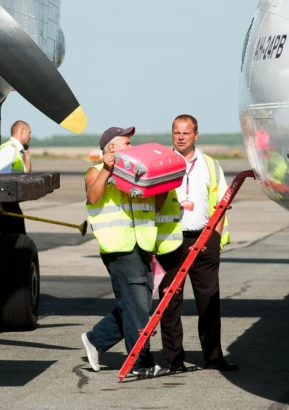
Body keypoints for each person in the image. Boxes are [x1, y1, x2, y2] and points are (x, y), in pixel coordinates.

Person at [80, 126, 171, 377]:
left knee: (135, 305)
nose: (132, 147)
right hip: (119, 247)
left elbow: (157, 206)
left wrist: (162, 183)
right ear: (112, 148)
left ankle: (96, 340)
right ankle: (140, 363)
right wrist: (107, 170)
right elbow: (94, 197)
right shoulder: (96, 172)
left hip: (143, 245)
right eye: (127, 143)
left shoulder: (138, 174)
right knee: (138, 306)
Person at [155, 114, 239, 373]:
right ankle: (174, 359)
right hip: (171, 240)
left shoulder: (211, 165)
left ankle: (214, 357)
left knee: (209, 301)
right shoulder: (161, 164)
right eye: (176, 132)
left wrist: (214, 236)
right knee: (170, 303)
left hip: (205, 239)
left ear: (196, 135)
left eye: (186, 133)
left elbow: (221, 204)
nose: (180, 137)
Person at [0, 120, 32, 241]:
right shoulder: (9, 150)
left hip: (11, 202)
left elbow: (26, 173)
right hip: (5, 204)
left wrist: (27, 154)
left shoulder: (17, 151)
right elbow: (0, 178)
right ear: (21, 131)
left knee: (18, 236)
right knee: (14, 239)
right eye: (29, 132)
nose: (30, 136)